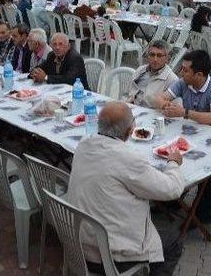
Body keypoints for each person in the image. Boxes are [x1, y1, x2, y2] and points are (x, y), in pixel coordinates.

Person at [68, 102, 185, 276]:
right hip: (108, 255)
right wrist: (174, 163)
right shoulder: (128, 159)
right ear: (130, 130)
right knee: (173, 239)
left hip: (76, 241)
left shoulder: (84, 143)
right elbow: (172, 189)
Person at [156, 49, 211, 128]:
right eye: (182, 69)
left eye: (185, 70)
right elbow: (160, 98)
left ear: (199, 75)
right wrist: (165, 105)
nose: (181, 73)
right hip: (190, 129)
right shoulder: (183, 82)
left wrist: (184, 113)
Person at [128, 40, 178, 108]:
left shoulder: (172, 80)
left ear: (167, 58)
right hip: (132, 108)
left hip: (152, 115)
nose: (155, 59)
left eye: (159, 56)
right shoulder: (141, 70)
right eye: (152, 55)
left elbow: (172, 109)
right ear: (147, 56)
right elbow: (129, 92)